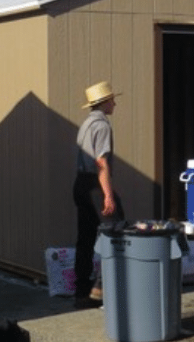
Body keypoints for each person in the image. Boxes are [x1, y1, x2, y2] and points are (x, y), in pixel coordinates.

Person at [73, 81, 125, 309]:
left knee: (85, 238)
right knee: (118, 232)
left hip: (80, 183)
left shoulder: (86, 124)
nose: (115, 102)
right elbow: (101, 162)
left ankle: (82, 292)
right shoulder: (102, 125)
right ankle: (102, 288)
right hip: (95, 185)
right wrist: (108, 195)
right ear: (104, 103)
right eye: (112, 99)